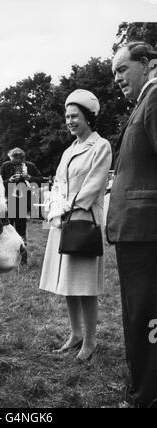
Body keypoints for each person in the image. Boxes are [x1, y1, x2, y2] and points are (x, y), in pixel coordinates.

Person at [39, 90, 112, 361]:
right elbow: (59, 184)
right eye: (67, 116)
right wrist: (53, 205)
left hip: (83, 222)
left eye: (75, 116)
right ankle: (75, 333)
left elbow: (94, 186)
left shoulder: (100, 146)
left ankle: (90, 340)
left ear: (88, 118)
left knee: (85, 284)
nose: (70, 121)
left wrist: (68, 206)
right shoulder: (69, 150)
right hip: (63, 221)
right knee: (67, 282)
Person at [107, 42, 157, 408]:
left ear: (147, 63)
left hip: (147, 232)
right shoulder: (144, 102)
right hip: (137, 232)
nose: (117, 79)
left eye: (122, 69)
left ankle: (144, 396)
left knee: (145, 317)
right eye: (114, 74)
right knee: (139, 315)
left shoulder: (155, 98)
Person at [0, 148, 43, 264]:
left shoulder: (30, 166)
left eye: (19, 161)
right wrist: (9, 180)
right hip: (7, 201)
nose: (17, 163)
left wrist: (30, 178)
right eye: (14, 161)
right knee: (6, 231)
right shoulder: (5, 166)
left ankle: (23, 260)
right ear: (10, 158)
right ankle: (7, 259)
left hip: (22, 202)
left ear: (23, 158)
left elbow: (41, 181)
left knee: (21, 231)